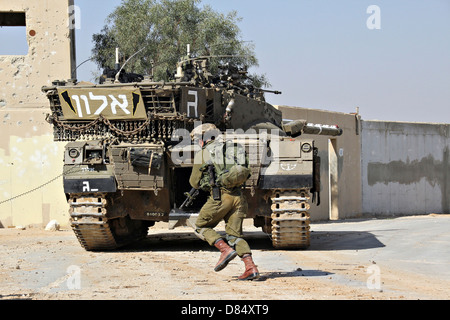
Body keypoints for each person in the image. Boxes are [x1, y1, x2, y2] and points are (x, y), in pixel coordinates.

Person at [189, 123, 259, 280]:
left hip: (220, 197)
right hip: (239, 198)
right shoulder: (234, 148)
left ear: (203, 139)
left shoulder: (204, 153)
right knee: (235, 236)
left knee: (200, 225)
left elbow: (194, 182)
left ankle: (224, 250)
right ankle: (251, 267)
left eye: (197, 140)